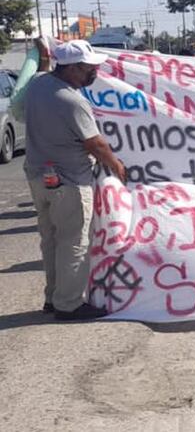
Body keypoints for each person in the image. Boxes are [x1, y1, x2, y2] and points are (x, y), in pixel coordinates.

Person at [21, 39, 126, 320]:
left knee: (51, 241)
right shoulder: (72, 100)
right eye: (89, 68)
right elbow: (95, 144)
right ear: (73, 68)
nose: (94, 73)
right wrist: (116, 165)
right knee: (74, 242)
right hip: (69, 182)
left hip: (38, 177)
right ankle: (69, 304)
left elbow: (41, 71)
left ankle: (52, 297)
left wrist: (43, 57)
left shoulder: (38, 85)